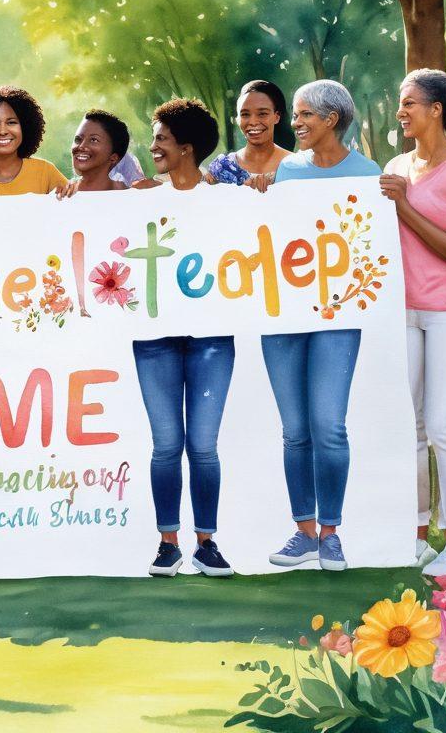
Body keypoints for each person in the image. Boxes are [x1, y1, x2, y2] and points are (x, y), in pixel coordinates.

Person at [262, 79, 380, 573]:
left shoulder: (367, 174)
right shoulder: (285, 170)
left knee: (328, 426)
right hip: (284, 314)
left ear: (332, 120)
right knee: (294, 431)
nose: (295, 123)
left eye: (305, 114)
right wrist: (257, 196)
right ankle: (304, 532)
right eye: (296, 114)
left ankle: (331, 534)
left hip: (339, 315)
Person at [132, 98, 236, 578]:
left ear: (187, 148)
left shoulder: (223, 198)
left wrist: (259, 192)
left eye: (161, 140)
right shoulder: (138, 198)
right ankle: (167, 543)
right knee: (165, 443)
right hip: (153, 337)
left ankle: (208, 543)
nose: (152, 147)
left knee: (203, 445)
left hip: (212, 336)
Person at [381, 69, 446, 577]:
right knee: (410, 427)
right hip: (403, 311)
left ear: (436, 109)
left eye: (409, 103)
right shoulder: (398, 165)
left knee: (441, 424)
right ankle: (417, 535)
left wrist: (405, 208)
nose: (402, 111)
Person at [207, 80, 292, 190]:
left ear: (277, 117)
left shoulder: (295, 164)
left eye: (262, 114)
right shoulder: (222, 168)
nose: (253, 122)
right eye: (245, 114)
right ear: (238, 119)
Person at [70, 110, 134, 191]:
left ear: (114, 157)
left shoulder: (129, 196)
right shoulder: (61, 196)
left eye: (93, 140)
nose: (81, 146)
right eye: (78, 139)